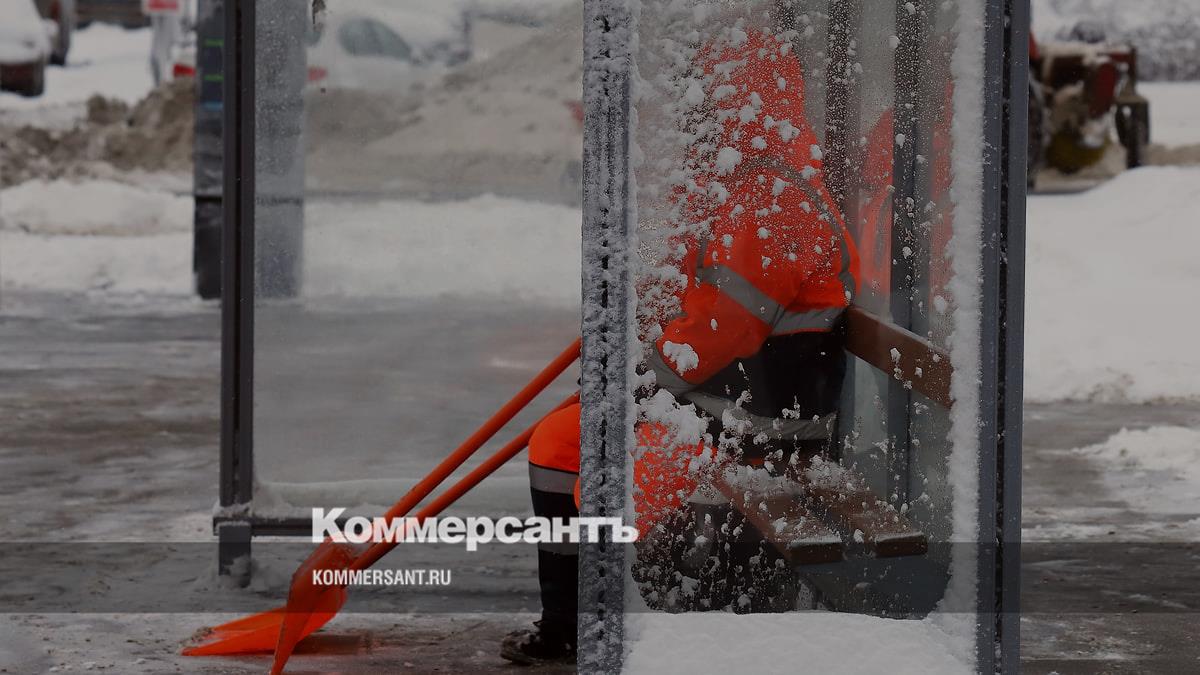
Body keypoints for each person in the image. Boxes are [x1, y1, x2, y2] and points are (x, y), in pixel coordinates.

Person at [500, 28, 859, 665]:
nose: (693, 115)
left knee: (606, 485)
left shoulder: (773, 202)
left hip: (757, 429)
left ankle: (609, 633)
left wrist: (641, 377)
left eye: (707, 98)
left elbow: (722, 330)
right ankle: (567, 620)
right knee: (557, 440)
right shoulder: (740, 186)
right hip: (714, 410)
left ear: (740, 103)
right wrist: (637, 329)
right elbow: (692, 291)